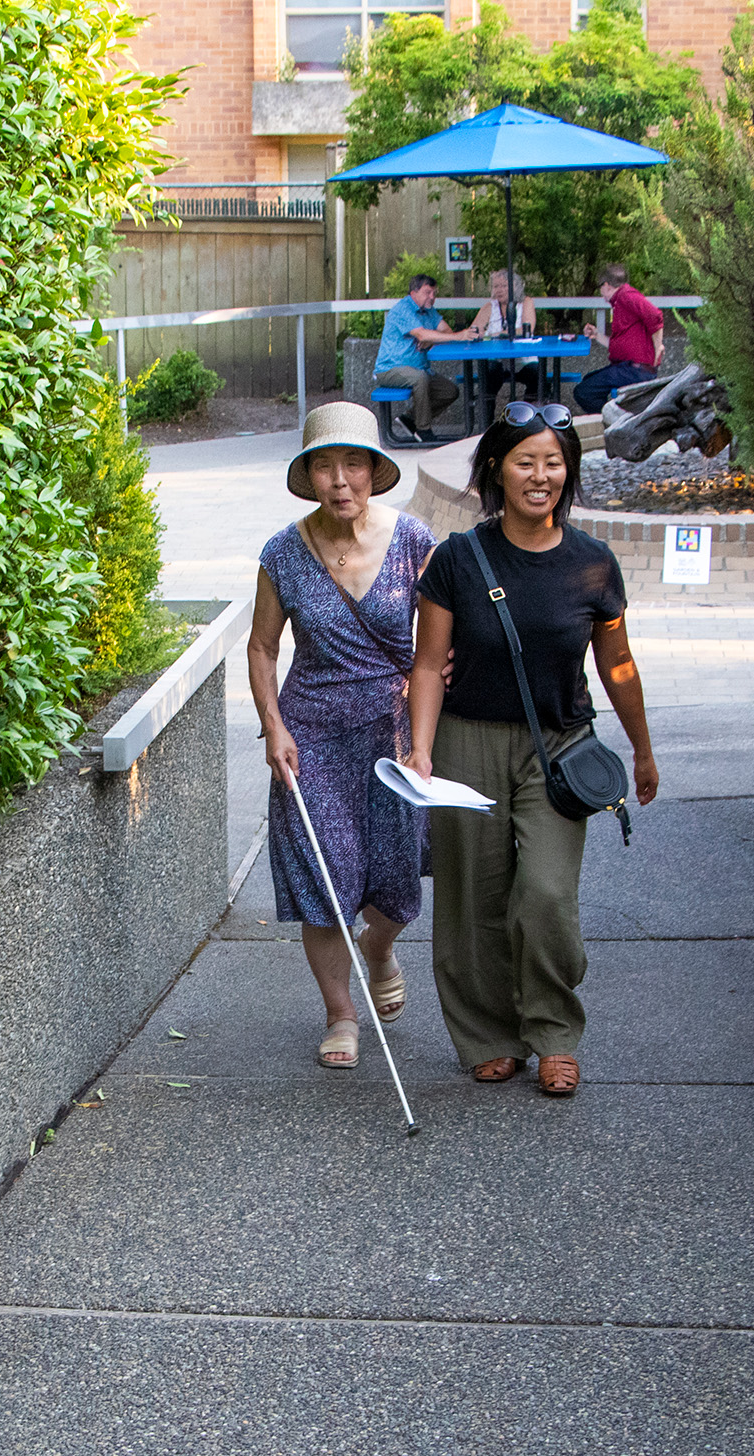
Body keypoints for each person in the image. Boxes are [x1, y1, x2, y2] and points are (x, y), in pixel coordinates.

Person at [403, 401, 659, 1098]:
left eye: (553, 462)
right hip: (466, 741)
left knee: (544, 894)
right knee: (473, 896)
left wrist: (641, 749)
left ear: (569, 472)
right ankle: (489, 1034)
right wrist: (420, 750)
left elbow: (618, 665)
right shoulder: (458, 558)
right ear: (496, 469)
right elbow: (428, 664)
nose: (540, 475)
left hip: (558, 744)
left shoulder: (593, 564)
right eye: (525, 461)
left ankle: (551, 1031)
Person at [248, 402, 438, 1069]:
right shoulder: (282, 551)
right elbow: (263, 649)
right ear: (308, 473)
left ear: (374, 469)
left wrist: (422, 744)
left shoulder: (415, 540)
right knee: (325, 878)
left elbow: (434, 653)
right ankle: (340, 1012)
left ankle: (379, 947)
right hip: (313, 735)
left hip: (390, 733)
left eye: (353, 463)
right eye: (325, 465)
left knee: (396, 879)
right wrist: (273, 727)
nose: (340, 480)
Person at [373, 274, 465, 442]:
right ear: (413, 293)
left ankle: (410, 419)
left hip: (420, 369)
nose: (432, 297)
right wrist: (459, 336)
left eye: (434, 293)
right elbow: (422, 334)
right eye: (428, 292)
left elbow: (447, 332)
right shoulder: (403, 310)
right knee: (419, 378)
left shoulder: (429, 311)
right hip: (389, 369)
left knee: (450, 391)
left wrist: (430, 339)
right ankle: (423, 431)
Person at [572, 262, 664, 415]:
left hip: (635, 370)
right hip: (629, 368)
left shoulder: (626, 296)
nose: (601, 293)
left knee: (584, 392)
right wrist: (597, 335)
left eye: (600, 288)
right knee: (588, 381)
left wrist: (658, 346)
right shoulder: (621, 301)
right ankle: (615, 418)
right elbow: (620, 345)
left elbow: (655, 316)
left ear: (606, 285)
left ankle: (614, 421)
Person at [464, 268, 543, 403]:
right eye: (496, 286)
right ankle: (487, 421)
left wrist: (498, 334)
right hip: (496, 359)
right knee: (488, 377)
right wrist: (479, 333)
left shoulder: (526, 303)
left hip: (523, 360)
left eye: (504, 286)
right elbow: (473, 331)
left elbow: (526, 329)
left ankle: (525, 414)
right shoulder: (489, 307)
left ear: (515, 287)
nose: (499, 290)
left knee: (538, 376)